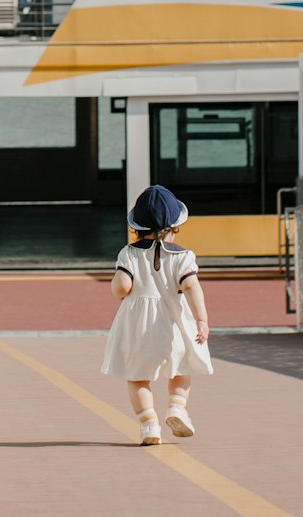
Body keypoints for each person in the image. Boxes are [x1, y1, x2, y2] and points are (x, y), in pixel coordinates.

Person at [102, 184, 213, 445]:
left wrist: (119, 285)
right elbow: (191, 287)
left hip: (138, 324)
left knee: (137, 375)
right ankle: (176, 407)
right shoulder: (184, 256)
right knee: (181, 368)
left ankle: (149, 424)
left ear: (136, 227)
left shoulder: (128, 253)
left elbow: (122, 288)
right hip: (173, 321)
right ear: (175, 227)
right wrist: (201, 320)